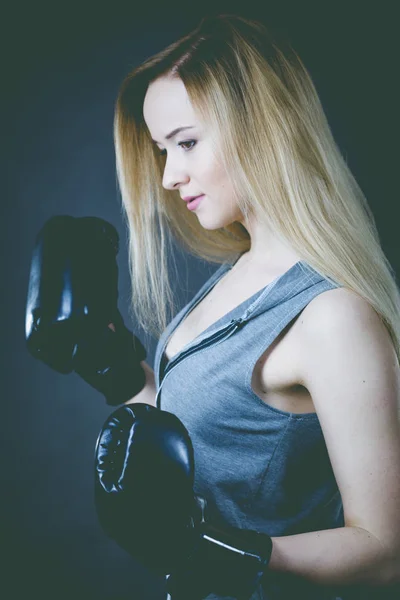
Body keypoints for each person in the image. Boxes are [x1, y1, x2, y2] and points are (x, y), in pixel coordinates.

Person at [27, 12, 400, 600]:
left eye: (187, 143)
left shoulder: (331, 317)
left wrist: (209, 546)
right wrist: (112, 367)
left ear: (260, 126)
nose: (170, 175)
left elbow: (385, 552)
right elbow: (199, 437)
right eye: (161, 150)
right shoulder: (238, 274)